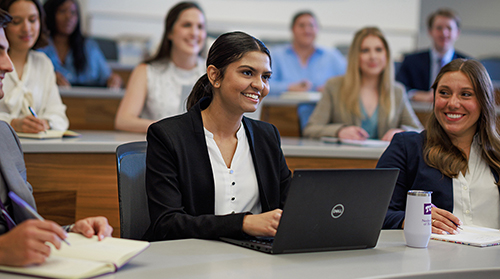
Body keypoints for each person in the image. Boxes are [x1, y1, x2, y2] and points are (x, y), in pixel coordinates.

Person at [144, 31, 291, 241]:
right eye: (248, 73)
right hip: (191, 260)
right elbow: (166, 224)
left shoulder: (267, 136)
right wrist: (244, 223)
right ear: (214, 75)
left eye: (265, 76)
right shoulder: (168, 136)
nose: (260, 85)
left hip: (256, 260)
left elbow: (291, 208)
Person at [0, 8, 112, 267]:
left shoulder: (6, 137)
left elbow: (20, 229)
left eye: (6, 51)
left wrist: (68, 232)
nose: (7, 64)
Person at [378, 59, 500, 234]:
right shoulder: (406, 148)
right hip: (430, 259)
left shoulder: (497, 153)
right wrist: (409, 219)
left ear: (484, 100)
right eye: (444, 93)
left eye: (466, 94)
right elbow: (375, 213)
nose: (452, 103)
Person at [304, 27, 422, 141]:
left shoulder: (397, 91)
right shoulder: (334, 86)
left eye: (378, 50)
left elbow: (418, 131)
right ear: (356, 56)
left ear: (386, 54)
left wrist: (401, 133)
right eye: (365, 50)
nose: (373, 56)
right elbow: (311, 129)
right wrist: (339, 131)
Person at [114, 2, 206, 133]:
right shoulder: (146, 71)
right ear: (170, 32)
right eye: (187, 25)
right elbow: (123, 120)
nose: (194, 32)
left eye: (200, 27)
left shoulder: (213, 73)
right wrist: (169, 129)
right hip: (158, 149)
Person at [0, 0, 68, 133]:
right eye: (16, 21)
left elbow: (59, 116)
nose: (26, 28)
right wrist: (11, 123)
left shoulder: (43, 63)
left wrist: (44, 123)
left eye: (32, 20)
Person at [39, 0, 122, 88]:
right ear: (50, 14)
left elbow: (107, 76)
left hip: (87, 100)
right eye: (62, 11)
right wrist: (48, 78)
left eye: (73, 13)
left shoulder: (89, 46)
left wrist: (114, 80)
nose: (68, 17)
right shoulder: (40, 47)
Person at [396, 8, 469, 103]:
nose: (444, 33)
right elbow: (398, 89)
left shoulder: (468, 64)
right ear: (430, 31)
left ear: (457, 33)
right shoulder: (411, 61)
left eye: (449, 28)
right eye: (439, 28)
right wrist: (417, 95)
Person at [269, 11, 346, 95]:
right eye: (301, 26)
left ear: (317, 29)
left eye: (311, 26)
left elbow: (350, 83)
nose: (307, 30)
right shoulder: (276, 55)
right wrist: (289, 87)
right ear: (292, 29)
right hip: (283, 107)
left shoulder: (332, 56)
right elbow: (264, 84)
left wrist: (331, 89)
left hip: (323, 106)